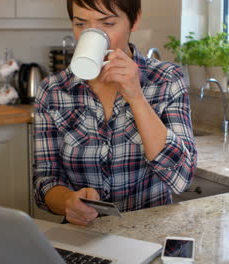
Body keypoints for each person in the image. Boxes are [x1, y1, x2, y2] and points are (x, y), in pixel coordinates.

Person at [33, 0, 197, 226]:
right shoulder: (52, 90)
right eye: (81, 24)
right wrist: (68, 202)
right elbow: (45, 178)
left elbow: (181, 179)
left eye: (107, 23)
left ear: (135, 20)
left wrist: (136, 98)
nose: (92, 34)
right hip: (84, 236)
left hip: (149, 234)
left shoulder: (166, 80)